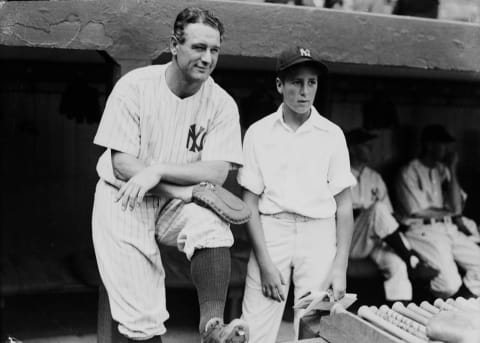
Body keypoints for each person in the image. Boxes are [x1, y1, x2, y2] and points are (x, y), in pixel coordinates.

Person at [92, 7, 249, 343]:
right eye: (198, 47)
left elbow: (218, 172)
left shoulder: (221, 103)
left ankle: (212, 327)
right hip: (124, 198)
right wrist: (179, 190)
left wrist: (159, 170)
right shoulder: (134, 86)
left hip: (174, 199)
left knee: (212, 226)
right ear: (174, 45)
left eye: (214, 50)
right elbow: (122, 165)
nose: (207, 58)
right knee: (141, 317)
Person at [237, 46, 356, 343]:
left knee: (315, 330)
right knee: (254, 330)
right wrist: (265, 263)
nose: (305, 91)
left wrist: (340, 267)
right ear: (280, 85)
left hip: (318, 235)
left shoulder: (332, 134)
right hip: (272, 231)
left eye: (311, 83)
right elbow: (249, 202)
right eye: (296, 82)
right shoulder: (258, 133)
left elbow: (344, 206)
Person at [347, 128, 438, 304]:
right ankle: (411, 258)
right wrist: (363, 212)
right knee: (376, 209)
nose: (371, 149)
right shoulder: (336, 174)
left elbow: (388, 216)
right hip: (348, 242)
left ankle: (398, 312)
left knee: (397, 263)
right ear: (351, 149)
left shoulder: (375, 177)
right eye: (366, 146)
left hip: (373, 240)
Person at [395, 124, 480, 299]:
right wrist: (451, 212)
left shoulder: (443, 170)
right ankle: (446, 305)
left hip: (448, 229)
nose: (446, 148)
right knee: (449, 285)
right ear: (428, 145)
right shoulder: (409, 171)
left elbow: (457, 207)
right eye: (442, 144)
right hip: (422, 230)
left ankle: (459, 306)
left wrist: (452, 170)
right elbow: (418, 211)